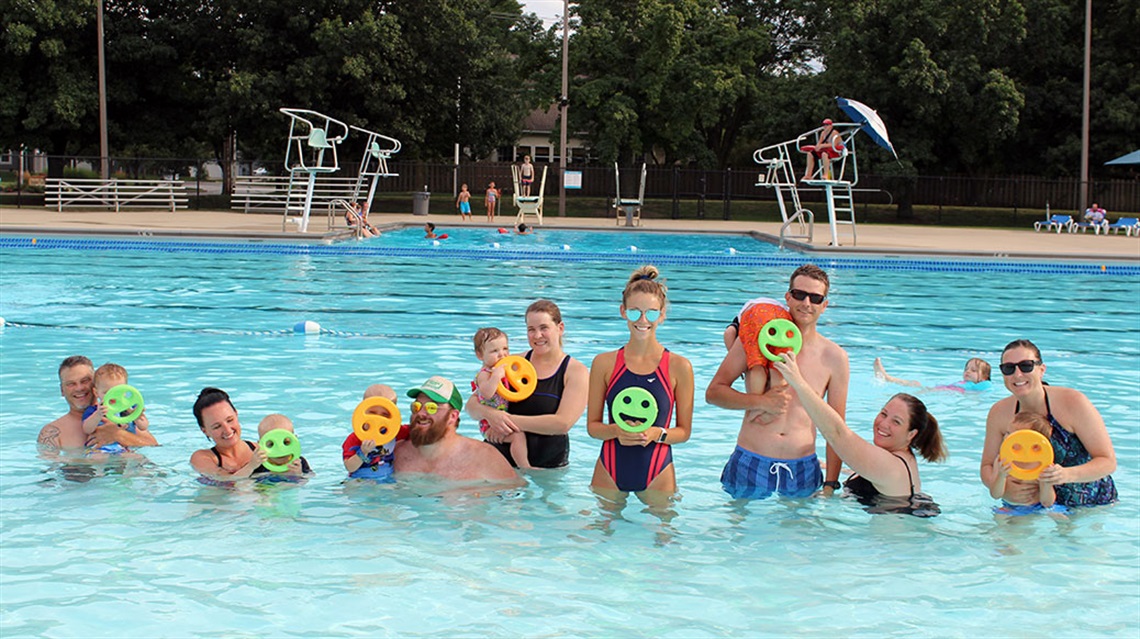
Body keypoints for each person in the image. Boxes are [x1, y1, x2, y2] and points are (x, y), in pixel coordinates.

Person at [706, 264, 849, 499]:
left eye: (815, 298)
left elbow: (836, 427)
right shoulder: (757, 339)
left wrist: (831, 484)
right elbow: (713, 393)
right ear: (788, 297)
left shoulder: (834, 358)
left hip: (802, 468)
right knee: (740, 536)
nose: (806, 303)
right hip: (750, 460)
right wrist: (759, 401)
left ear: (825, 305)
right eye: (799, 295)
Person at [773, 352, 945, 517]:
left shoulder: (891, 466)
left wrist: (797, 381)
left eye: (896, 422)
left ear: (911, 434)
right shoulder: (901, 459)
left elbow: (837, 433)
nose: (884, 424)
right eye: (884, 414)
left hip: (889, 545)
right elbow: (869, 468)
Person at [586, 266, 694, 498]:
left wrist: (657, 434)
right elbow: (593, 428)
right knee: (600, 534)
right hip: (609, 469)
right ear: (623, 312)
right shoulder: (604, 364)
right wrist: (616, 431)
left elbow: (684, 432)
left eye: (652, 313)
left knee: (663, 535)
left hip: (659, 471)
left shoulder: (679, 367)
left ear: (662, 315)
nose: (643, 320)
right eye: (635, 312)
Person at [981, 339, 1117, 508]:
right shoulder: (999, 412)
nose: (1017, 374)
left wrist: (1065, 475)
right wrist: (1005, 488)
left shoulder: (1073, 402)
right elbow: (987, 465)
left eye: (1026, 365)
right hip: (1029, 505)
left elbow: (1107, 461)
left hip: (1088, 504)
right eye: (1009, 368)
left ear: (1041, 370)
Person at [465, 299, 589, 469]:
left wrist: (505, 421)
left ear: (560, 328)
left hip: (548, 465)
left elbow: (562, 424)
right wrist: (491, 415)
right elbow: (472, 405)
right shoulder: (512, 363)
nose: (537, 335)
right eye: (531, 329)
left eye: (544, 328)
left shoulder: (575, 371)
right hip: (498, 456)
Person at [394, 376, 521, 484]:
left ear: (452, 416)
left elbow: (516, 498)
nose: (421, 413)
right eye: (416, 406)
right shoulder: (398, 454)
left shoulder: (484, 457)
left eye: (431, 408)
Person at [38, 355, 155, 453]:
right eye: (71, 384)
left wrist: (119, 435)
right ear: (62, 390)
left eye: (85, 381)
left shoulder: (122, 415)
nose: (79, 388)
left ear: (96, 385)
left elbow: (154, 447)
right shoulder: (52, 432)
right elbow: (49, 469)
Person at [471, 328, 531, 469]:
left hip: (499, 419)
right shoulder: (485, 374)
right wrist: (497, 376)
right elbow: (487, 393)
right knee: (518, 436)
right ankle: (525, 466)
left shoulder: (504, 369)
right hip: (488, 424)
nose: (502, 354)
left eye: (505, 349)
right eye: (494, 351)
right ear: (480, 355)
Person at [987, 412, 1062, 515]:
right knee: (1000, 517)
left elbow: (1047, 502)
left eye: (1014, 435)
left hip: (1037, 507)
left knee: (1061, 518)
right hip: (1010, 506)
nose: (1006, 438)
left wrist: (1045, 482)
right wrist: (1001, 475)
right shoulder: (1002, 462)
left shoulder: (1042, 465)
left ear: (1035, 445)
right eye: (1007, 433)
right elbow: (995, 495)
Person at [189, 387, 269, 480]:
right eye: (217, 426)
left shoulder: (261, 450)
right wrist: (251, 466)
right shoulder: (202, 458)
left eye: (230, 420)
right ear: (205, 431)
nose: (227, 430)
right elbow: (226, 482)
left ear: (236, 414)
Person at [81, 362, 156, 454]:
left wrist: (136, 415)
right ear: (96, 392)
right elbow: (87, 429)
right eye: (107, 393)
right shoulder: (95, 410)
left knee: (135, 458)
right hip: (102, 448)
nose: (114, 398)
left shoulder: (130, 408)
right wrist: (98, 415)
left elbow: (143, 427)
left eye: (118, 392)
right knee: (97, 458)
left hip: (125, 448)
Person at [343, 384, 408, 481]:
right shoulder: (354, 438)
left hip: (387, 479)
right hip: (359, 479)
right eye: (372, 413)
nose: (377, 419)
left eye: (384, 414)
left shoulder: (395, 432)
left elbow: (416, 432)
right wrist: (362, 452)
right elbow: (349, 467)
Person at [873, 357, 993, 392]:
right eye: (966, 369)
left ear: (983, 377)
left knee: (918, 387)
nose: (967, 372)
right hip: (943, 389)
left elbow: (985, 388)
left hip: (944, 391)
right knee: (915, 384)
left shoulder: (981, 386)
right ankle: (887, 377)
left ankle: (887, 378)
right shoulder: (966, 384)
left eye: (973, 370)